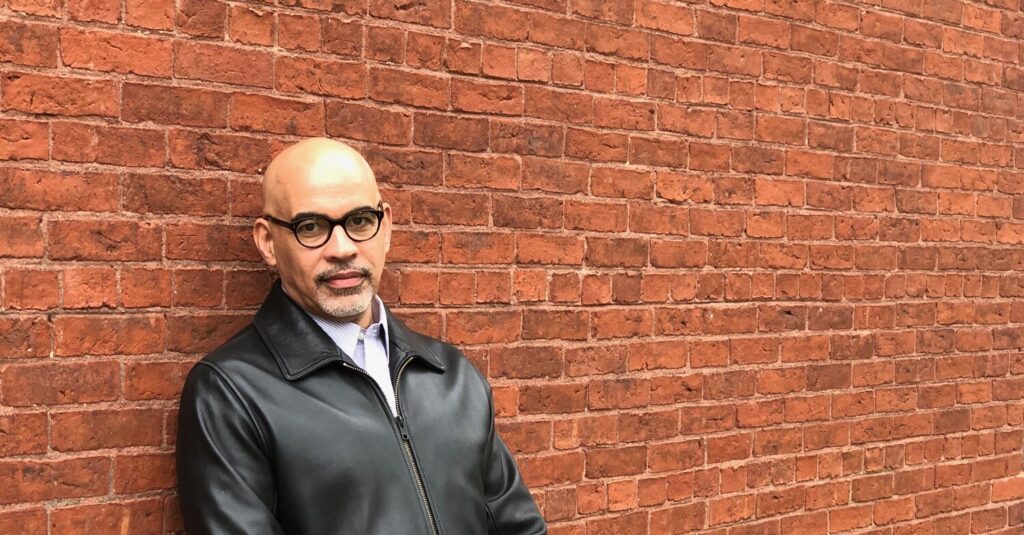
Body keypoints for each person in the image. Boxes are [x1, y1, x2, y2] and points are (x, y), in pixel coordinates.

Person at [176, 138, 547, 535]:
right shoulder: (232, 393)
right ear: (268, 242)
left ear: (385, 227)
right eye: (312, 227)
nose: (343, 248)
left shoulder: (451, 377)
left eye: (359, 221)